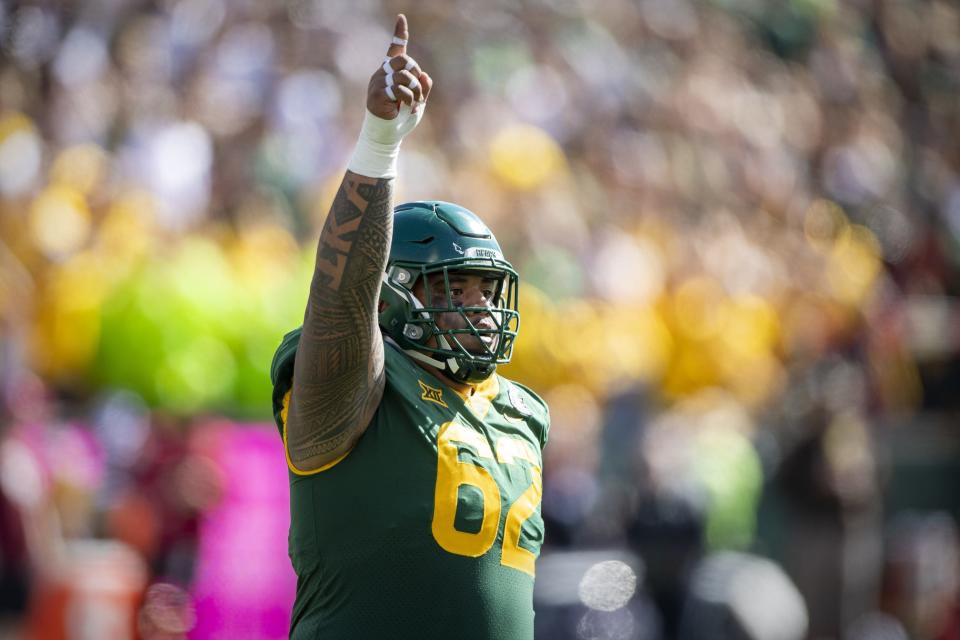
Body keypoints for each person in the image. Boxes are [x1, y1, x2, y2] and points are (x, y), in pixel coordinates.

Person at [269, 15, 550, 639]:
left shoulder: (524, 412)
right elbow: (340, 300)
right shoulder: (359, 383)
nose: (479, 307)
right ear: (394, 297)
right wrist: (379, 144)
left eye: (487, 289)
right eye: (454, 288)